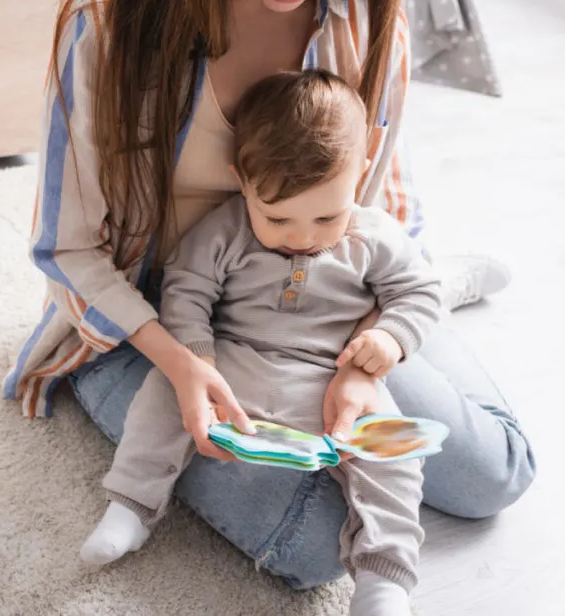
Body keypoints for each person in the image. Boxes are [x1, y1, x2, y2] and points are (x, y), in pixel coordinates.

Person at [5, 0, 536, 588]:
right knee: (314, 546)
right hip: (152, 320)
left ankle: (434, 284)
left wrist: (374, 354)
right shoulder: (107, 20)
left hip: (321, 309)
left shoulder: (363, 20)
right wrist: (180, 362)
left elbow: (374, 209)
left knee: (496, 474)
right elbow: (66, 245)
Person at [80, 69, 442, 616]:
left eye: (327, 215)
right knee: (161, 395)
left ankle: (382, 577)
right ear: (241, 180)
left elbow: (418, 292)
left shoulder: (372, 236)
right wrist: (196, 356)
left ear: (362, 174)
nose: (302, 237)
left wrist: (388, 340)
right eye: (277, 217)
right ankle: (130, 506)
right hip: (231, 362)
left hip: (331, 380)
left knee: (395, 456)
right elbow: (186, 292)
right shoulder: (225, 229)